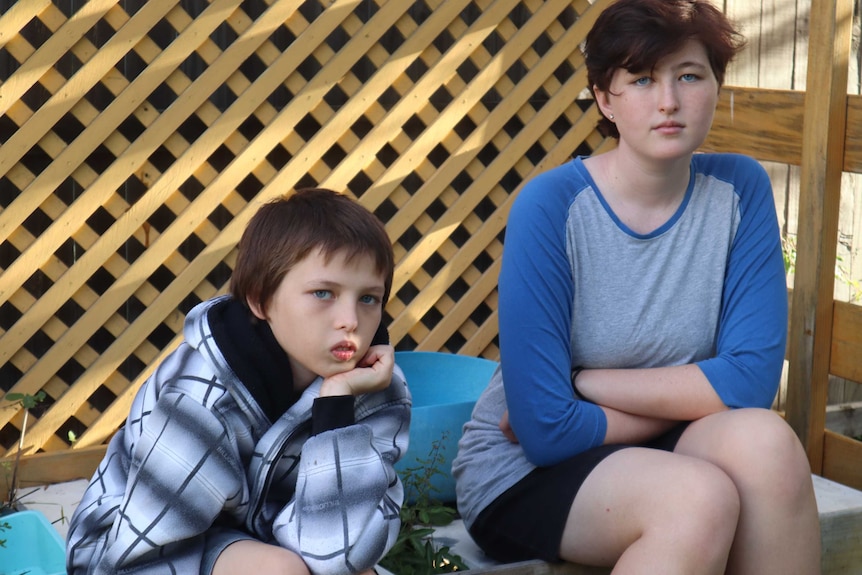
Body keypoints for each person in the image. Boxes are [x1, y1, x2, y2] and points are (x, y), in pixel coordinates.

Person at [452, 1, 821, 573]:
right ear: (604, 98)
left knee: (768, 444)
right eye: (642, 80)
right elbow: (545, 430)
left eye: (689, 76)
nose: (668, 101)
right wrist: (693, 397)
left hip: (656, 441)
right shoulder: (551, 207)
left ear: (715, 87)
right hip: (528, 471)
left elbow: (749, 381)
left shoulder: (740, 191)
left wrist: (584, 382)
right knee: (697, 499)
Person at [66, 189, 411, 575]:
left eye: (368, 299)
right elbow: (133, 559)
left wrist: (335, 409)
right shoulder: (201, 396)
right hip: (133, 552)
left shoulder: (373, 387)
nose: (350, 319)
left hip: (265, 540)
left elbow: (343, 555)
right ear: (261, 301)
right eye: (323, 293)